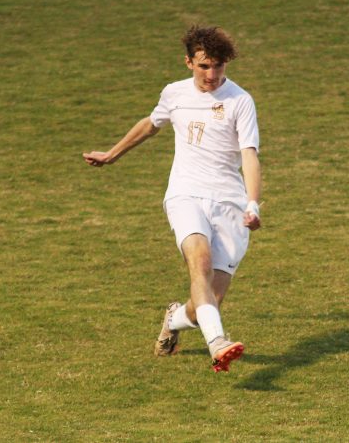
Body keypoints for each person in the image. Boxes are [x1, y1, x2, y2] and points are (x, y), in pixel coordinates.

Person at [83, 26, 262, 373]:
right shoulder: (174, 94)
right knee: (200, 262)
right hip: (185, 193)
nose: (212, 75)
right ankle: (218, 343)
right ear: (188, 63)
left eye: (219, 67)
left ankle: (174, 320)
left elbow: (250, 155)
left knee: (208, 300)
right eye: (204, 66)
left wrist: (253, 203)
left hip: (229, 203)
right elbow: (151, 124)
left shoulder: (241, 101)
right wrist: (112, 154)